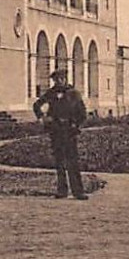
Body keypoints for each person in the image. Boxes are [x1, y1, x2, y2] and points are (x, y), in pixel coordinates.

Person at [33, 67, 89, 199]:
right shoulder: (51, 94)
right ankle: (61, 190)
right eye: (56, 79)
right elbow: (36, 105)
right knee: (59, 161)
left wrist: (76, 124)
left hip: (70, 131)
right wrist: (43, 117)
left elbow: (82, 113)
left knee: (73, 161)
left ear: (66, 79)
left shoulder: (74, 94)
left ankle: (78, 191)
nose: (59, 81)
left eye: (61, 78)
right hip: (56, 130)